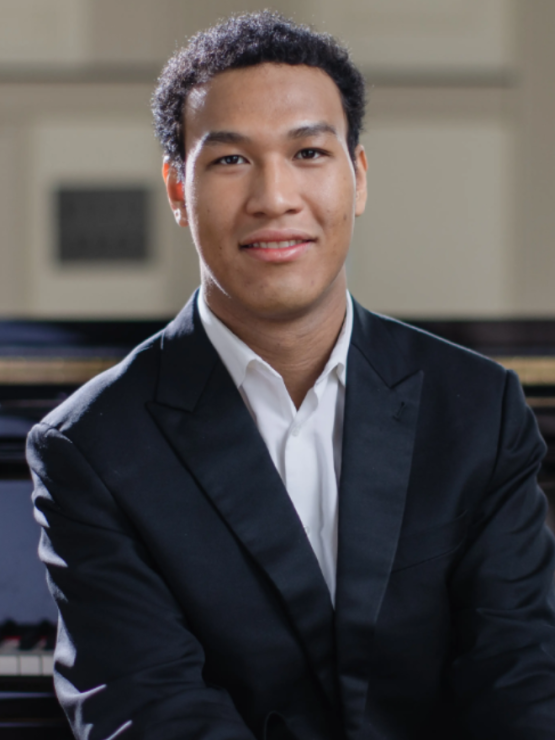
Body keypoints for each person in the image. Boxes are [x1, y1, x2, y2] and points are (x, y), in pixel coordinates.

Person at [27, 11, 555, 740]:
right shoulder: (89, 446)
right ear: (177, 189)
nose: (275, 197)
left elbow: (519, 679)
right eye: (230, 160)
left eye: (308, 152)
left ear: (357, 177)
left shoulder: (477, 409)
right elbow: (152, 709)